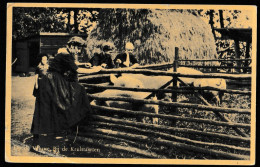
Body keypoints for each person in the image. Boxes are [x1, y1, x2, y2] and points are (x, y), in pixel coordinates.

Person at [30, 38, 101, 152]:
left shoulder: (64, 54)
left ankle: (39, 142)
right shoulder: (65, 54)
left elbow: (74, 64)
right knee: (77, 91)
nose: (78, 51)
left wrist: (84, 64)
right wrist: (97, 69)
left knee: (47, 110)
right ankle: (43, 142)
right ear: (72, 46)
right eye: (78, 48)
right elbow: (79, 70)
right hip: (52, 82)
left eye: (80, 49)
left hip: (49, 81)